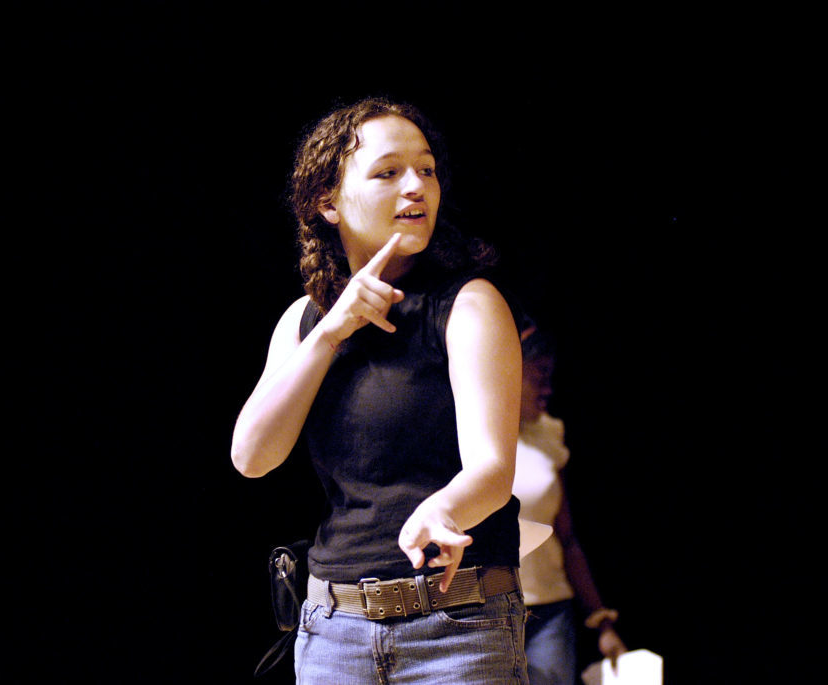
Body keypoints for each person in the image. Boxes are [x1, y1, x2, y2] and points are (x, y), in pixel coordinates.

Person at [231, 97, 529, 684]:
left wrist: (441, 510)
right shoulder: (305, 320)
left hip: (457, 629)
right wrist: (332, 331)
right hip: (332, 630)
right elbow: (252, 457)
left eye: (426, 169)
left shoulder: (467, 304)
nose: (416, 186)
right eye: (388, 172)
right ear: (328, 202)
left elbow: (492, 469)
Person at [512, 323, 627, 685]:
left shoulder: (549, 432)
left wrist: (602, 621)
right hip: (489, 606)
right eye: (539, 376)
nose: (548, 390)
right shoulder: (468, 435)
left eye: (552, 377)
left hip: (549, 611)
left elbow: (567, 537)